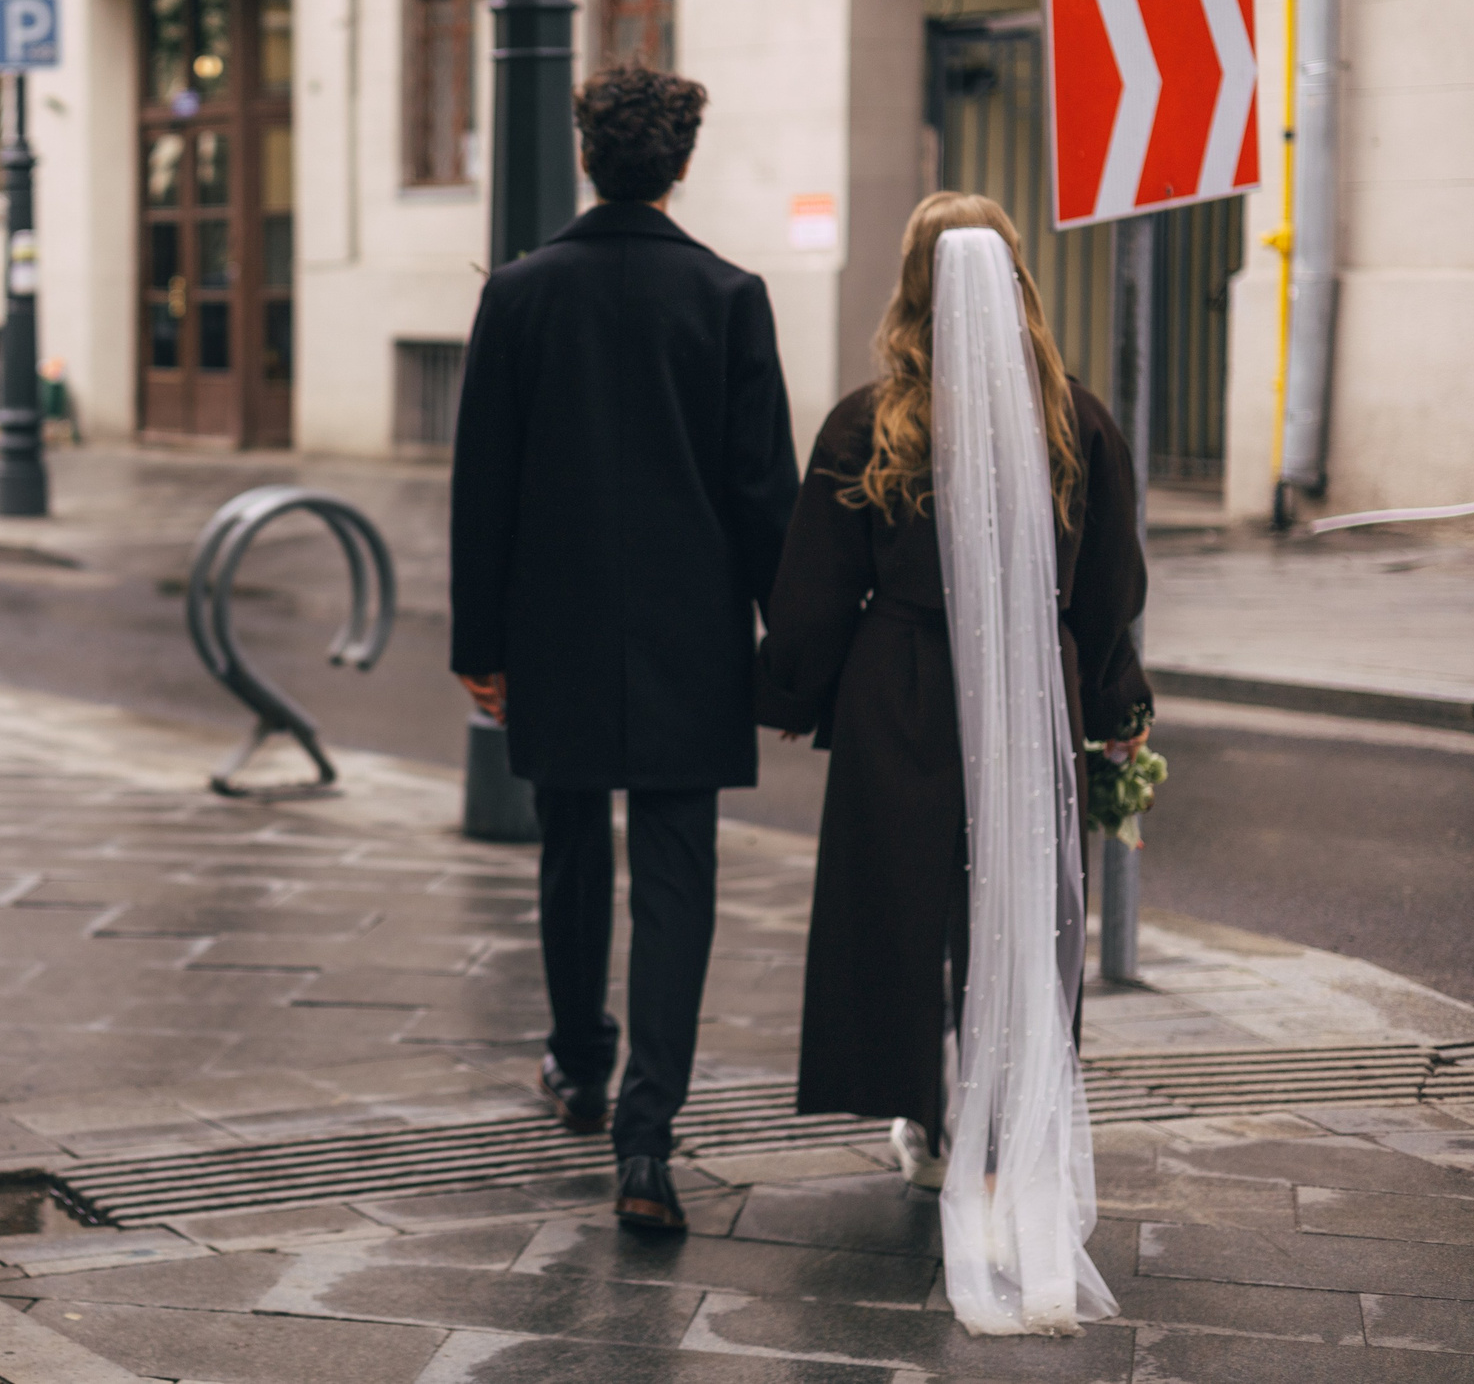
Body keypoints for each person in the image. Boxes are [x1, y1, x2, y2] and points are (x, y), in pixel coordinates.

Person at [756, 191, 1151, 1335]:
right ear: (1017, 278)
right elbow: (1111, 589)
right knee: (1010, 910)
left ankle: (929, 1125)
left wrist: (793, 692)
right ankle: (1002, 1132)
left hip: (901, 688)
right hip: (1032, 690)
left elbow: (815, 581)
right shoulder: (1075, 421)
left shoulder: (870, 422)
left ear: (915, 283)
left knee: (902, 907)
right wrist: (1116, 704)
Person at [449, 66, 800, 1234]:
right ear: (681, 165)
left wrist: (479, 642)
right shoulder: (730, 296)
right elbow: (763, 495)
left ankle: (578, 1062)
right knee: (676, 876)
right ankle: (646, 1139)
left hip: (554, 629)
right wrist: (793, 645)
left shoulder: (519, 293)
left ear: (584, 156)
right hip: (690, 636)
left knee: (567, 852)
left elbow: (482, 485)